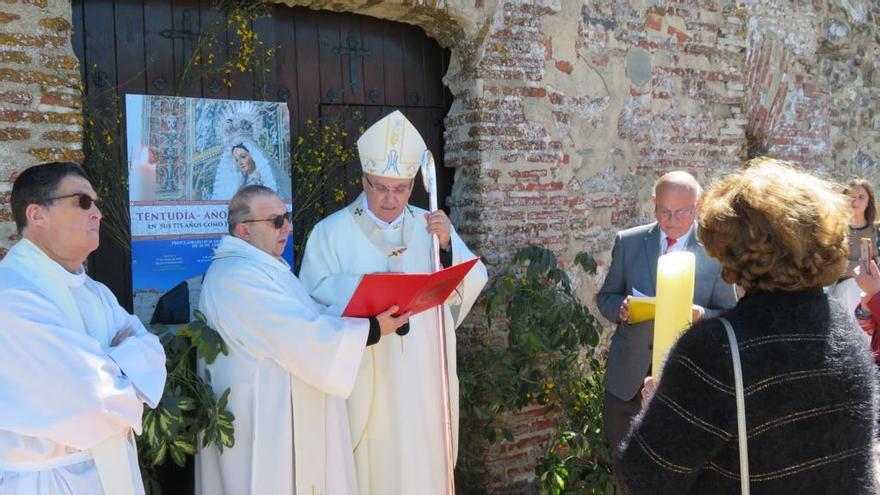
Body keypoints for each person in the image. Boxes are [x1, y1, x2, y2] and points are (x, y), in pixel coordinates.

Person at [615, 158, 879, 494]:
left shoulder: (716, 348)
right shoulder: (845, 331)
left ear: (732, 251)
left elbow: (644, 477)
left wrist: (659, 407)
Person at [299, 110, 488, 495]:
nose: (390, 199)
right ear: (363, 180)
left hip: (423, 375)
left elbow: (471, 282)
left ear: (413, 184)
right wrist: (365, 294)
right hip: (367, 374)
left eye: (401, 189)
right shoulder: (330, 233)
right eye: (380, 187)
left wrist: (448, 246)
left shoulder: (430, 227)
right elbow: (311, 304)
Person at [195, 185, 410, 495]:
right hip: (264, 426)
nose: (287, 227)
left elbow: (311, 317)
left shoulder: (269, 269)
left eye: (287, 217)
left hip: (283, 415)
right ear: (244, 231)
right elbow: (296, 333)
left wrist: (371, 313)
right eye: (275, 221)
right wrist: (372, 330)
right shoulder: (234, 276)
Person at [0, 162, 167, 494]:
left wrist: (109, 362)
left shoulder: (96, 292)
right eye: (82, 201)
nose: (97, 214)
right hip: (51, 481)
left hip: (115, 467)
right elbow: (88, 399)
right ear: (37, 215)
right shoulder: (13, 295)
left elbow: (153, 355)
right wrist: (126, 363)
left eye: (97, 204)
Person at [596, 171, 737, 456]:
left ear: (697, 206)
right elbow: (606, 297)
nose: (670, 220)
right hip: (628, 384)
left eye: (680, 212)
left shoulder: (715, 251)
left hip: (686, 382)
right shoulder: (629, 242)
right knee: (623, 468)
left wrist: (702, 315)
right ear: (653, 203)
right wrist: (621, 308)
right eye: (664, 211)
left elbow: (730, 314)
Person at [829, 178, 879, 313]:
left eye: (861, 197)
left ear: (869, 201)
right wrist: (863, 268)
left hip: (873, 292)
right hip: (843, 290)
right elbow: (833, 265)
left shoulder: (877, 231)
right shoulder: (835, 230)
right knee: (851, 288)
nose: (855, 202)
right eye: (851, 197)